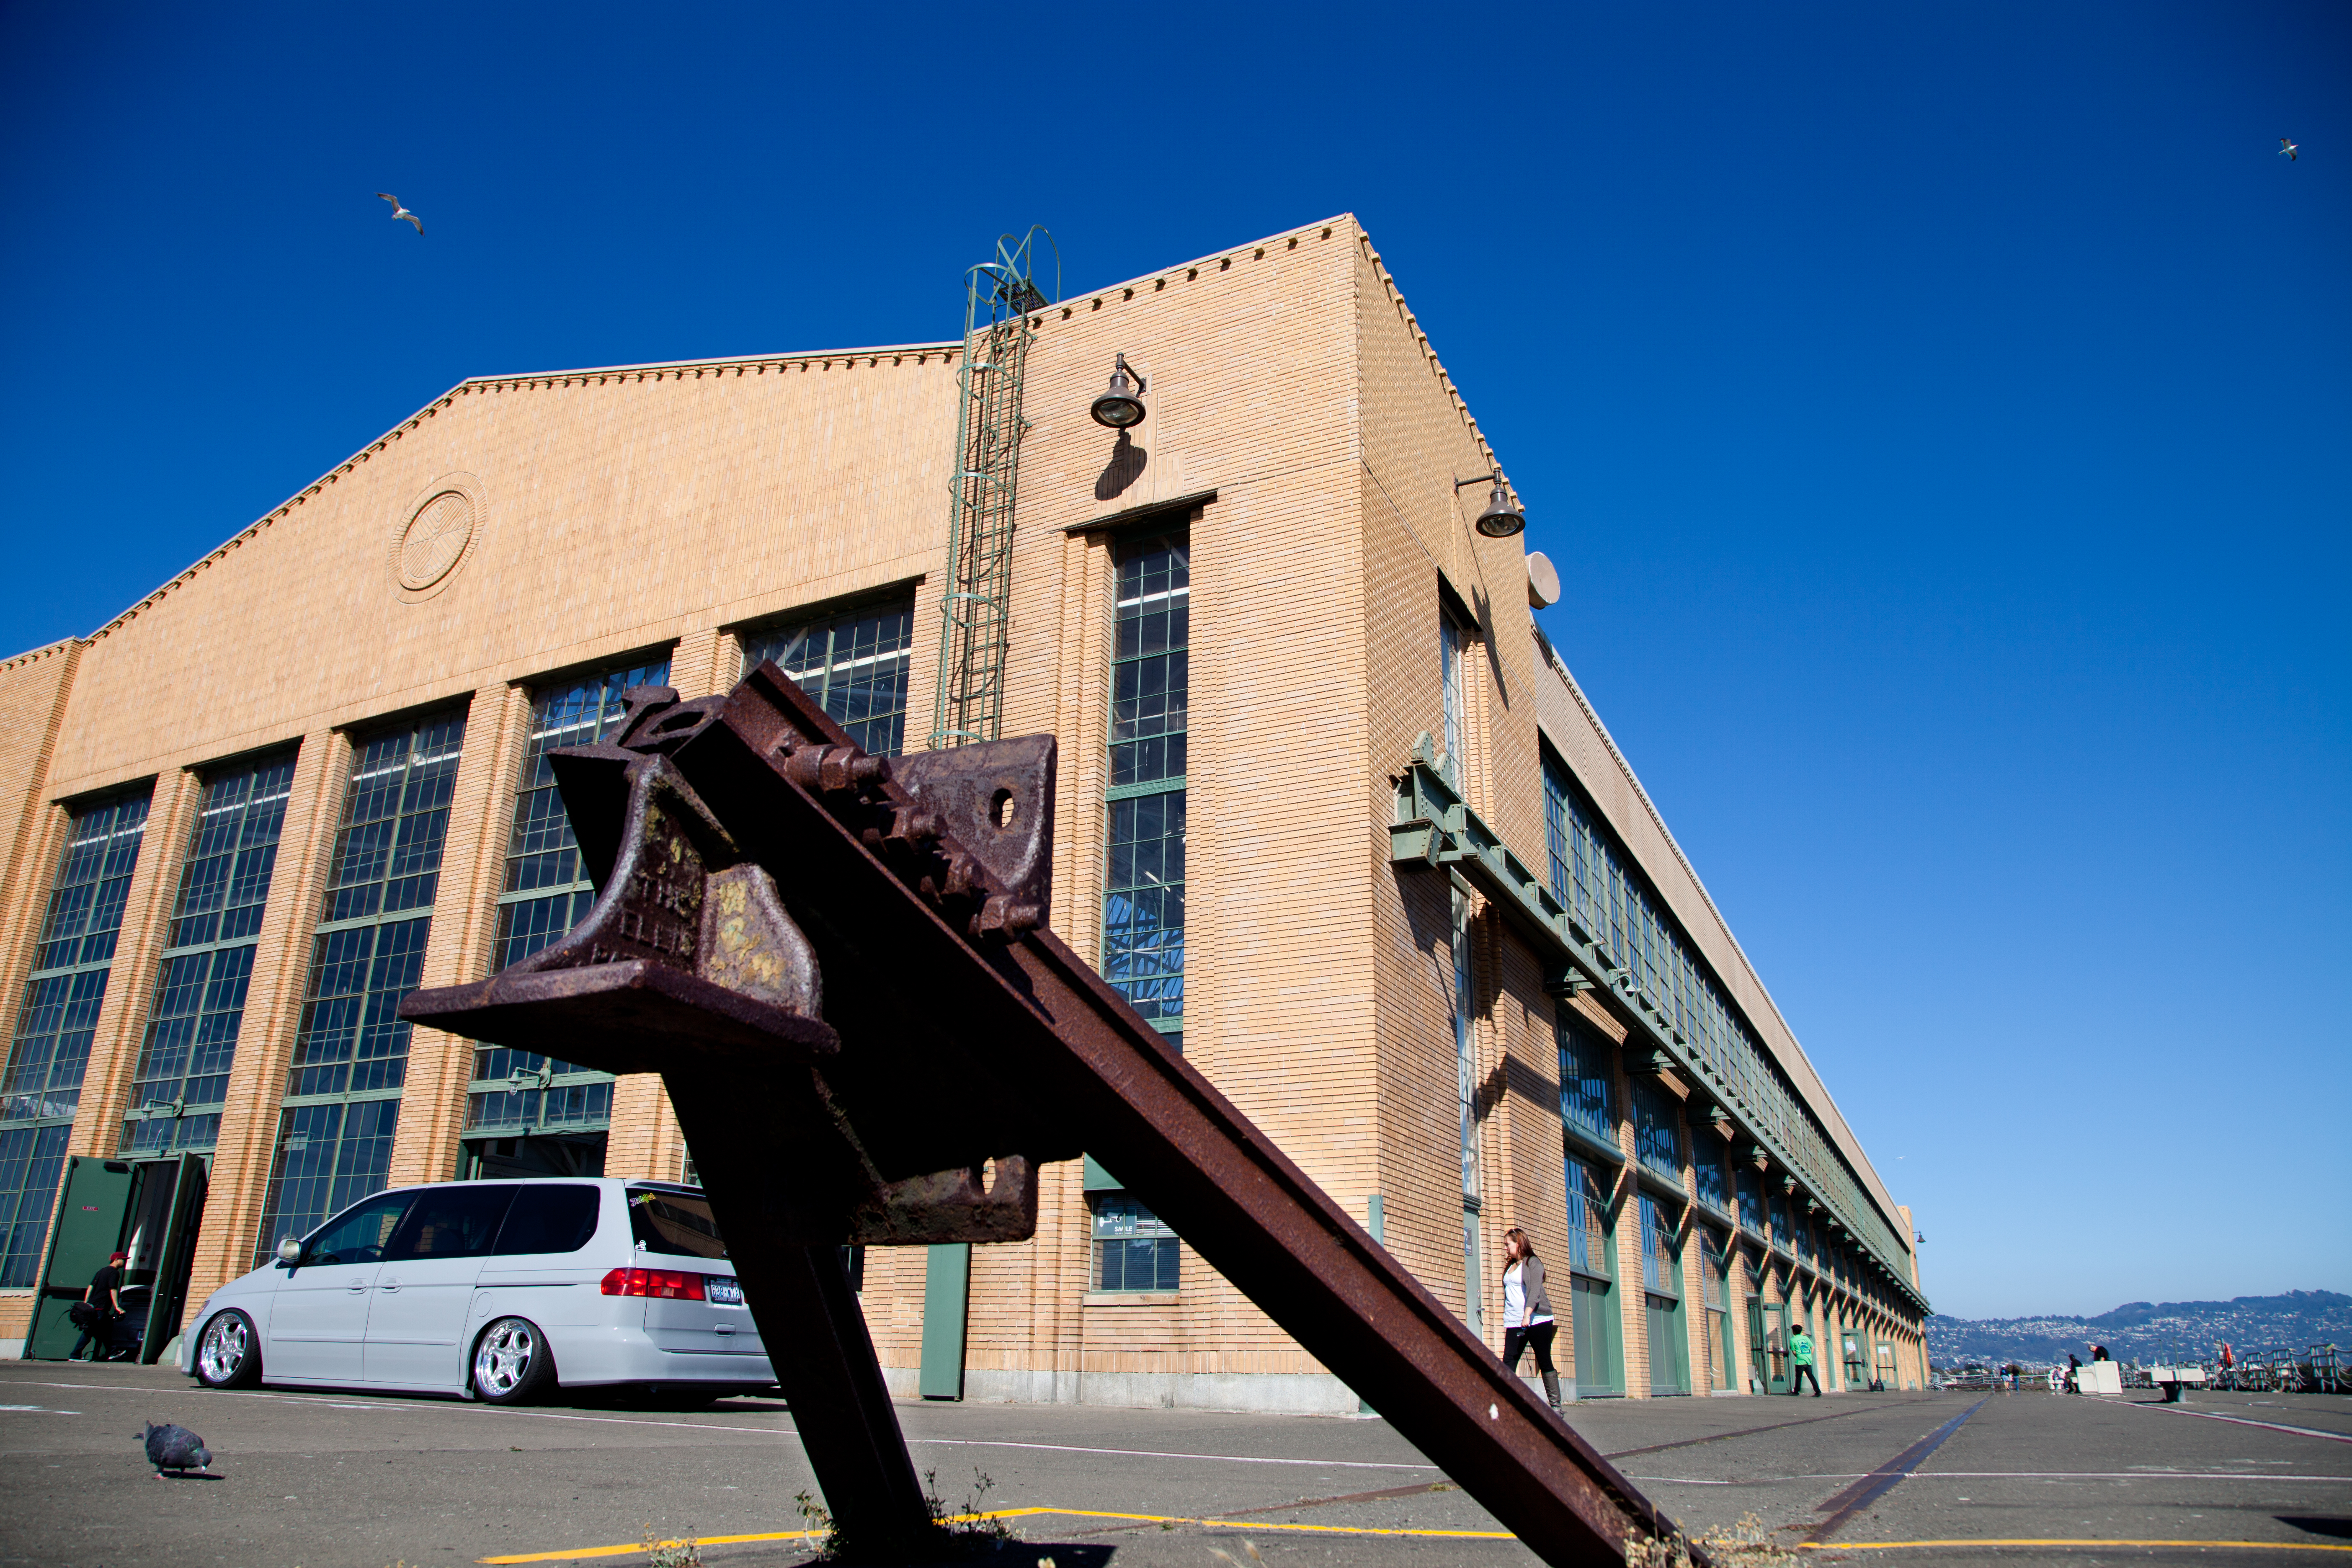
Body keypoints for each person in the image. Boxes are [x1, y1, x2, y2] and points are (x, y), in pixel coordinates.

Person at [1499, 1227, 1561, 1414]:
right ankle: (1503, 1405)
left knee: (1544, 1360)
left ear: (1518, 1244)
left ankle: (1556, 1408)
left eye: (1507, 1245)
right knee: (1508, 1360)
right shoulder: (1510, 1266)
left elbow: (1534, 1292)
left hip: (1537, 1320)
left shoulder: (1533, 1263)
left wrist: (1527, 1315)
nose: (1505, 1249)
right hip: (1514, 1322)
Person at [69, 1251, 127, 1362]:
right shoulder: (114, 1273)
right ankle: (75, 1355)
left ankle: (113, 1352)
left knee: (104, 1331)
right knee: (89, 1332)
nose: (125, 1261)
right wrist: (117, 1307)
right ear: (117, 1260)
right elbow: (113, 1290)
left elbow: (90, 1287)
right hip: (101, 1307)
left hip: (94, 1307)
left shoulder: (102, 1271)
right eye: (123, 1259)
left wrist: (86, 1304)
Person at [1788, 1321, 1821, 1396]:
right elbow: (1813, 1347)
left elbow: (1794, 1351)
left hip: (1800, 1361)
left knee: (1799, 1377)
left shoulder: (1793, 1340)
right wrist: (1810, 1355)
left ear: (1794, 1332)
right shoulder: (1806, 1338)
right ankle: (1818, 1391)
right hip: (1808, 1360)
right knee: (1811, 1376)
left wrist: (1798, 1356)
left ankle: (1796, 1391)